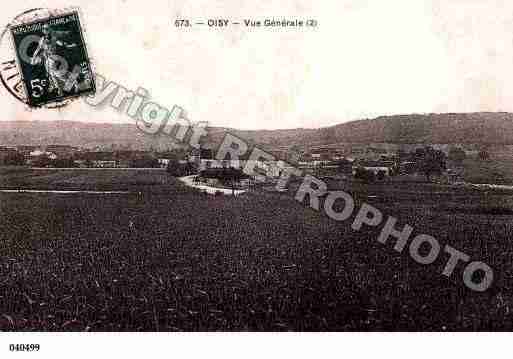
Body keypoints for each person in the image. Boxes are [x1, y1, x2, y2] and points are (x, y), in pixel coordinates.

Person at [30, 24, 78, 96]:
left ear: (49, 30)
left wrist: (70, 45)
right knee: (52, 75)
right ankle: (60, 90)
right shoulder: (42, 40)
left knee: (57, 74)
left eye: (47, 29)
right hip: (47, 59)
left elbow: (62, 44)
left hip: (53, 59)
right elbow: (38, 49)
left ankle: (73, 82)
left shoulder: (54, 38)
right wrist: (34, 57)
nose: (46, 31)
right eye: (44, 29)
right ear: (43, 31)